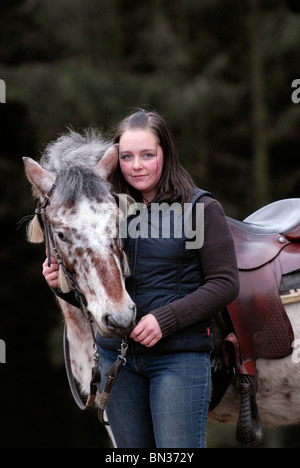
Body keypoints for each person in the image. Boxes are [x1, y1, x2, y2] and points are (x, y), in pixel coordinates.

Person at [43, 110, 239, 448]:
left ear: (166, 154)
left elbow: (224, 283)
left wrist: (165, 320)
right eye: (127, 156)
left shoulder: (199, 208)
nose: (137, 165)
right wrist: (63, 285)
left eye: (148, 155)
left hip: (179, 357)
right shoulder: (106, 209)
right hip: (117, 359)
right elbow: (100, 279)